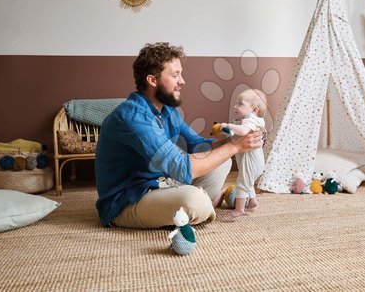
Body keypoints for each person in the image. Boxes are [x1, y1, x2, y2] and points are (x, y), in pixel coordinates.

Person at [95, 42, 263, 229]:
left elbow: (199, 145)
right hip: (127, 200)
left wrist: (234, 140)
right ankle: (203, 203)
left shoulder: (167, 110)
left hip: (161, 184)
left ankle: (198, 204)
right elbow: (183, 168)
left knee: (223, 159)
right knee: (195, 200)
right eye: (175, 75)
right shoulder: (134, 117)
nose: (182, 81)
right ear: (152, 80)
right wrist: (235, 147)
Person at [220, 89, 267, 218]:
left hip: (251, 162)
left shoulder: (251, 120)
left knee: (242, 183)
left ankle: (239, 209)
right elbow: (238, 134)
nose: (236, 106)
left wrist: (228, 126)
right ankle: (252, 202)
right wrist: (228, 131)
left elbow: (242, 131)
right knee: (248, 182)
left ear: (254, 110)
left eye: (240, 104)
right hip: (254, 162)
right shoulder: (251, 120)